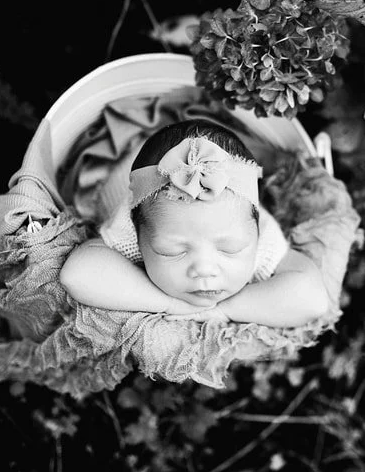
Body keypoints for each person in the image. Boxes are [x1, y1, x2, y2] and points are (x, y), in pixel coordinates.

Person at [59, 121, 329, 327]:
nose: (204, 270)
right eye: (173, 251)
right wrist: (167, 304)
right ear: (139, 238)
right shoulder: (129, 230)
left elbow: (313, 298)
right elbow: (77, 274)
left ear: (256, 233)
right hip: (117, 174)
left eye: (230, 249)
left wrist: (222, 310)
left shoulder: (258, 235)